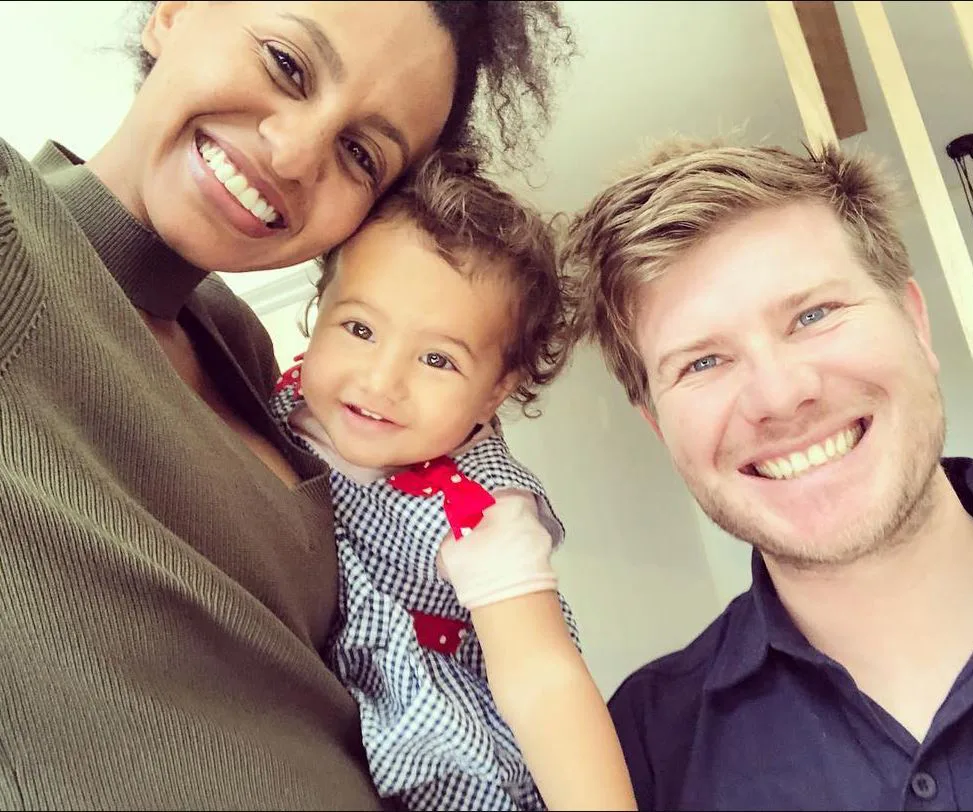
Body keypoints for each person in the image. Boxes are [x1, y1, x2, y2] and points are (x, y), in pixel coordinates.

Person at [0, 1, 574, 808]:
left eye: (360, 153)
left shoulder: (249, 354)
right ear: (173, 13)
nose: (295, 152)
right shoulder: (14, 235)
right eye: (287, 63)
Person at [562, 139, 973, 810]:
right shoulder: (635, 756)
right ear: (658, 427)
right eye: (701, 362)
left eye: (812, 315)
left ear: (915, 322)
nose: (779, 396)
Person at [268, 150, 636, 812]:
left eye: (437, 359)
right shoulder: (274, 404)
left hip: (448, 765)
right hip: (312, 716)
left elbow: (541, 679)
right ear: (319, 309)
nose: (380, 381)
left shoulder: (482, 514)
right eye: (359, 328)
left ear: (497, 390)